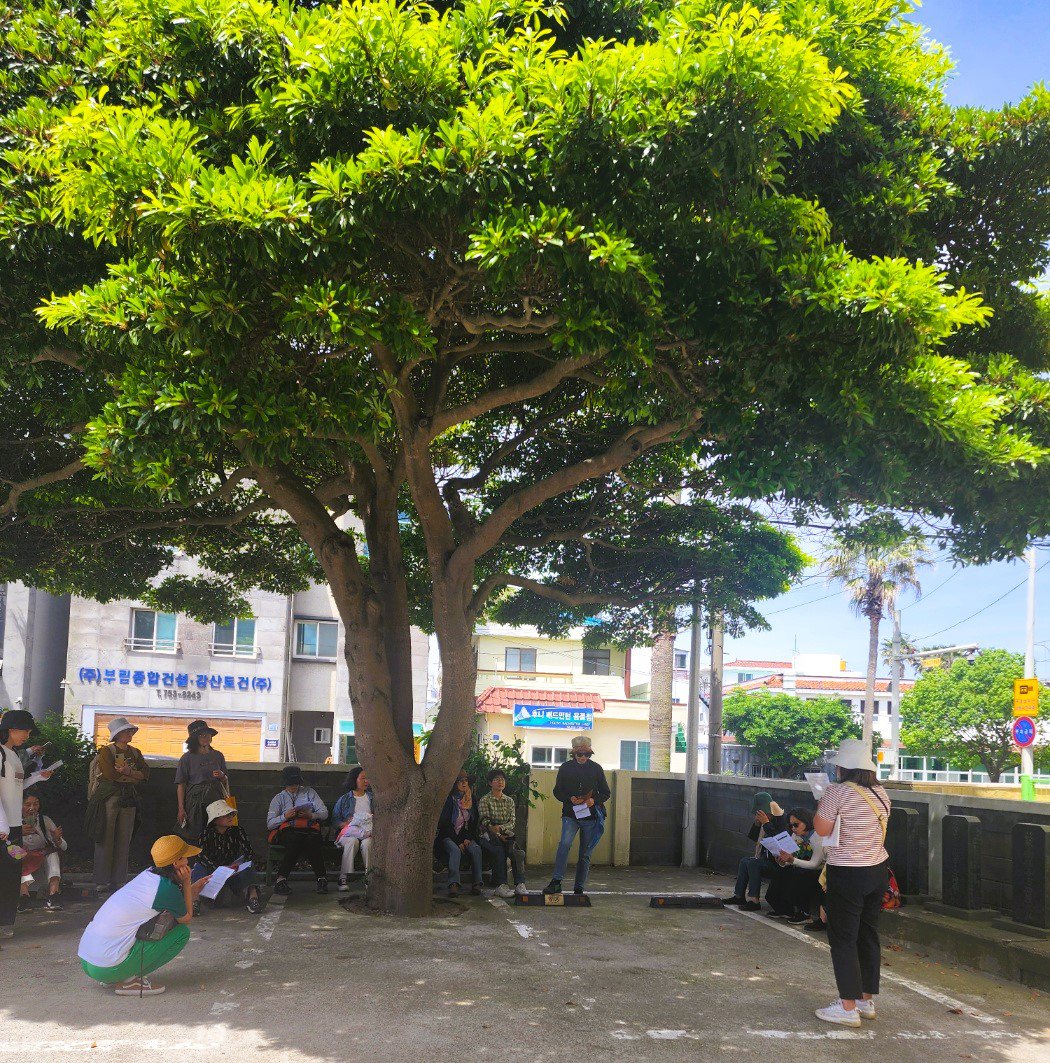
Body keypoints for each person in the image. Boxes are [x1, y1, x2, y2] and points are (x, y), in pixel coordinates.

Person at [812, 739, 892, 1028]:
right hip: (877, 870)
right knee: (867, 934)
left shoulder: (837, 792)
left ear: (843, 767)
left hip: (847, 871)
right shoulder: (881, 794)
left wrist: (823, 803)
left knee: (843, 938)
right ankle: (864, 1000)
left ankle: (846, 1008)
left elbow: (822, 829)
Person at [77, 834, 211, 996]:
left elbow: (168, 901)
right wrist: (187, 882)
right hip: (105, 967)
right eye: (185, 859)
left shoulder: (148, 875)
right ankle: (128, 981)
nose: (188, 862)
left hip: (87, 961)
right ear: (176, 863)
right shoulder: (166, 889)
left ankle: (117, 975)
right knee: (181, 933)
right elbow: (187, 917)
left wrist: (191, 889)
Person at [85, 717, 149, 896]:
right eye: (127, 731)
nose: (130, 733)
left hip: (128, 799)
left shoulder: (135, 752)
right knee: (105, 839)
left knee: (124, 841)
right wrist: (134, 776)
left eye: (130, 731)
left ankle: (119, 879)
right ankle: (102, 881)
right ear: (118, 734)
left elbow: (146, 773)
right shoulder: (107, 751)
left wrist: (129, 773)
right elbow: (110, 774)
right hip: (109, 798)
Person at [0, 709, 51, 938]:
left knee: (12, 872)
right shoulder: (1, 754)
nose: (27, 737)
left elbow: (15, 786)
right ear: (11, 729)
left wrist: (38, 777)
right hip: (3, 828)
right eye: (25, 731)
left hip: (14, 827)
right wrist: (1, 825)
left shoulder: (12, 754)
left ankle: (6, 923)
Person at [544, 735, 610, 896]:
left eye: (587, 754)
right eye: (580, 754)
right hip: (571, 815)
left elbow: (606, 793)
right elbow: (557, 791)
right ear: (573, 754)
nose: (583, 757)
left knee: (585, 853)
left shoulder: (596, 768)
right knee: (564, 845)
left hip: (591, 817)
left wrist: (593, 801)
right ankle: (556, 882)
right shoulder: (565, 768)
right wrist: (569, 798)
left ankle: (579, 887)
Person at [266, 765, 329, 895]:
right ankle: (281, 880)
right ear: (284, 784)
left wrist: (311, 815)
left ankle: (321, 879)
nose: (293, 787)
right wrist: (285, 816)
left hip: (309, 828)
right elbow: (270, 824)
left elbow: (324, 813)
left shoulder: (309, 793)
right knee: (295, 840)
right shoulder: (279, 798)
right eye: (290, 784)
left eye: (296, 783)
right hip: (289, 831)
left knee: (313, 840)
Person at [721, 792, 788, 911]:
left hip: (780, 863)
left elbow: (780, 838)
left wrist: (766, 823)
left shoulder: (782, 820)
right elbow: (754, 838)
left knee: (753, 863)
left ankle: (754, 900)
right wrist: (757, 825)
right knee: (744, 861)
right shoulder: (764, 822)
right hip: (766, 858)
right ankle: (739, 896)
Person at [193, 799, 261, 914]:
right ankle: (195, 902)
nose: (230, 817)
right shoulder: (206, 833)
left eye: (230, 814)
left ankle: (253, 899)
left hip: (232, 871)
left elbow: (248, 852)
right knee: (198, 866)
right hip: (212, 872)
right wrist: (217, 869)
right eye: (225, 815)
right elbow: (201, 855)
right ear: (215, 820)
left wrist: (237, 866)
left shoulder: (238, 831)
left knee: (249, 866)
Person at [766, 807, 825, 924]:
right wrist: (782, 861)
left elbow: (814, 864)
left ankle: (805, 913)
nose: (793, 829)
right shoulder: (796, 836)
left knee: (801, 876)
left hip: (819, 871)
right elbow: (792, 858)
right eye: (791, 826)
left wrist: (792, 860)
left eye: (796, 825)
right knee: (781, 873)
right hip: (801, 867)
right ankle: (784, 908)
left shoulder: (818, 837)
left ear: (806, 822)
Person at [478, 768, 527, 898]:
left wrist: (501, 830)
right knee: (498, 850)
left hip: (505, 833)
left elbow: (512, 821)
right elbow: (484, 821)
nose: (500, 782)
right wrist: (497, 832)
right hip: (487, 835)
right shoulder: (485, 800)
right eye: (497, 779)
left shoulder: (509, 801)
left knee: (517, 852)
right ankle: (501, 885)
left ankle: (520, 884)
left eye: (502, 779)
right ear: (490, 783)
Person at [175, 719, 228, 839]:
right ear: (195, 739)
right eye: (202, 735)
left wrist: (222, 776)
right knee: (196, 833)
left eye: (208, 734)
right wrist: (181, 809)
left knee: (216, 833)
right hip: (195, 801)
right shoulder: (186, 758)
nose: (206, 737)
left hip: (216, 798)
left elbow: (225, 779)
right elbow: (181, 785)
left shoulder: (218, 755)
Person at [435, 771, 483, 897]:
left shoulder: (470, 799)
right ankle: (453, 884)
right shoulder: (449, 799)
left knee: (476, 849)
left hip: (465, 835)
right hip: (449, 835)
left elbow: (473, 822)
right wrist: (458, 841)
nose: (464, 783)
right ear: (454, 784)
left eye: (465, 780)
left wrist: (467, 838)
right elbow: (445, 823)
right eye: (460, 781)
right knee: (455, 850)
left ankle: (477, 883)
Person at [18, 792, 67, 913]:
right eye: (27, 804)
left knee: (53, 854)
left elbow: (64, 846)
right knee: (15, 853)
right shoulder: (13, 822)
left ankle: (54, 894)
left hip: (40, 860)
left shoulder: (44, 820)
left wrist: (57, 839)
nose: (32, 808)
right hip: (23, 860)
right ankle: (23, 896)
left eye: (35, 804)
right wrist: (17, 832)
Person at [331, 766, 374, 891]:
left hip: (368, 832)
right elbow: (335, 820)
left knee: (368, 844)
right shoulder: (344, 799)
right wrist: (344, 824)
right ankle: (343, 878)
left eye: (368, 779)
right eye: (363, 778)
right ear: (354, 780)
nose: (367, 781)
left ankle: (369, 879)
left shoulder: (372, 798)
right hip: (349, 833)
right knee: (352, 841)